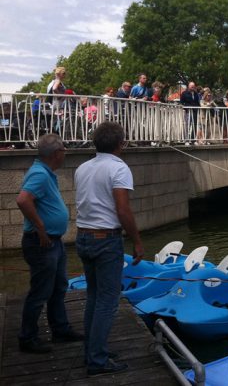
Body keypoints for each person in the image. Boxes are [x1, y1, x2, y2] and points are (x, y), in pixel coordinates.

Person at [75, 122, 144, 377]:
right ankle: (97, 360)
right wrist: (137, 240)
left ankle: (93, 350)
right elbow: (123, 209)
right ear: (120, 144)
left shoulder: (83, 168)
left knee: (93, 297)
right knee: (107, 301)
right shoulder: (119, 168)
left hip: (83, 236)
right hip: (106, 240)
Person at [16, 134, 84, 354]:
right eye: (64, 150)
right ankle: (27, 337)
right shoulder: (39, 174)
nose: (65, 153)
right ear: (56, 154)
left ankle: (60, 329)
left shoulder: (45, 173)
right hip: (42, 243)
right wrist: (41, 229)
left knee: (57, 287)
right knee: (40, 291)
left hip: (53, 242)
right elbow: (23, 200)